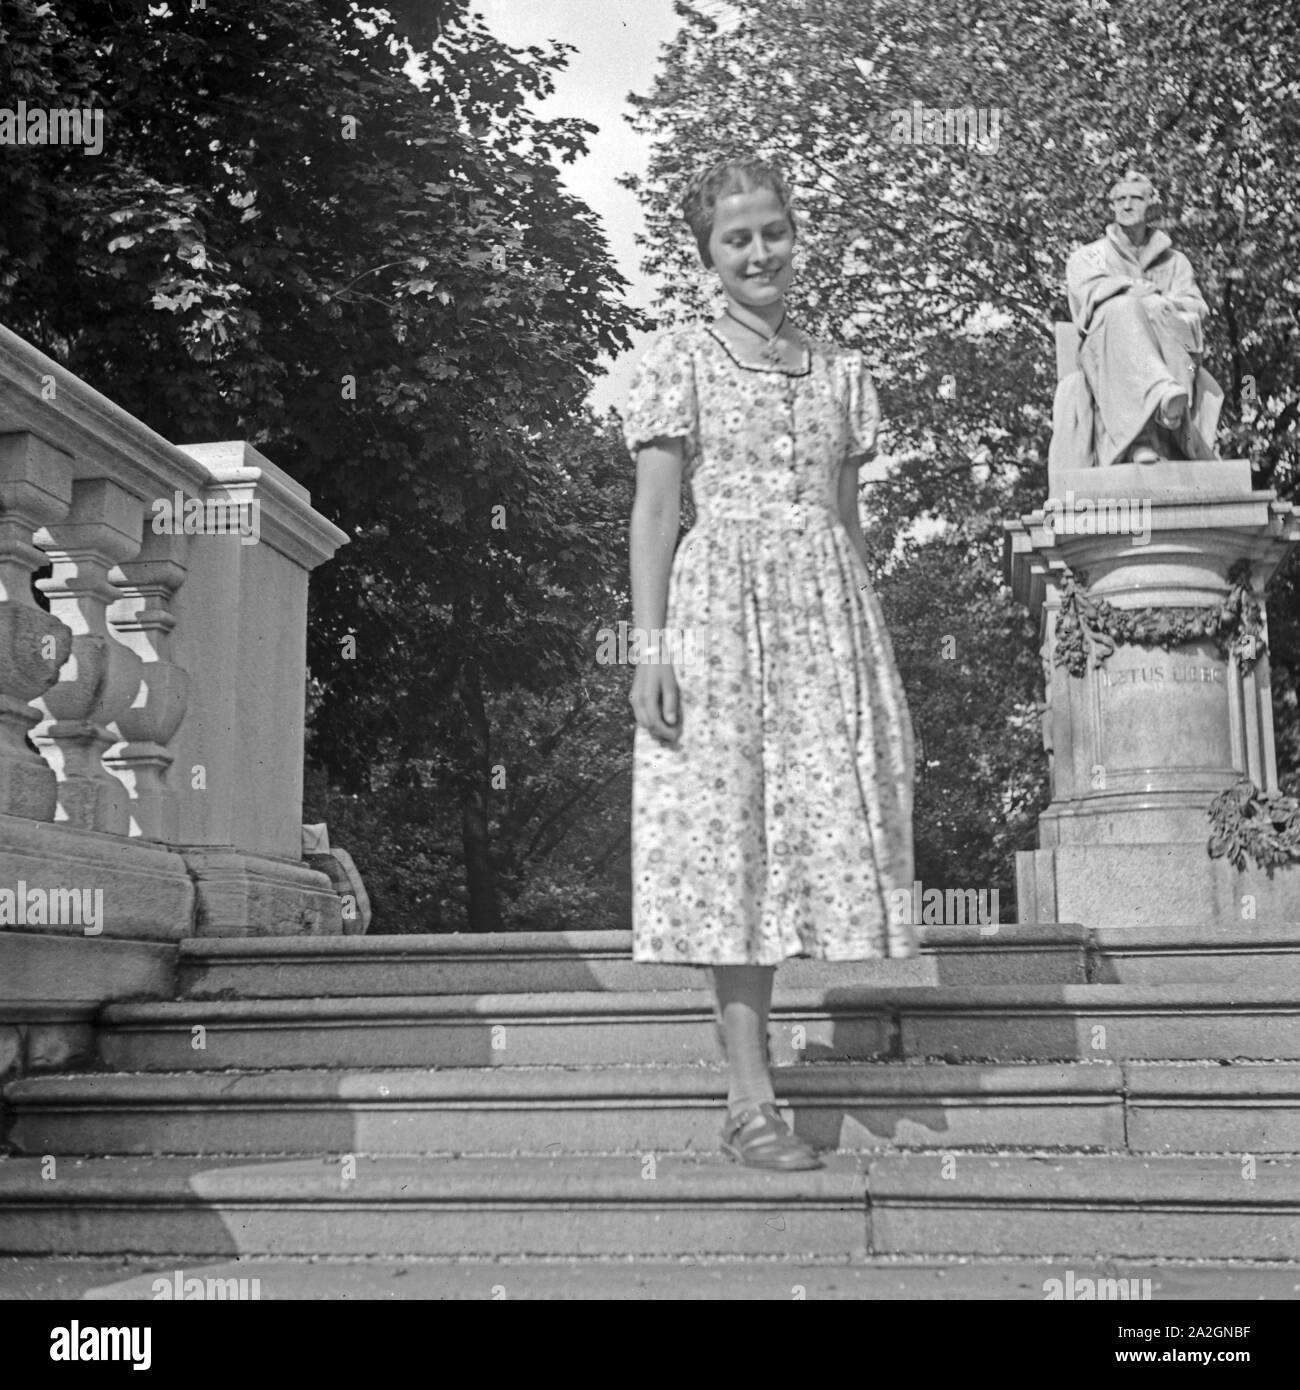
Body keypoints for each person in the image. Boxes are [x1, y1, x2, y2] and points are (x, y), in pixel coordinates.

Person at [622, 155, 916, 1171]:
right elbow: (655, 513)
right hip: (718, 615)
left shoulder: (841, 372)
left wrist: (865, 653)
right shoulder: (678, 358)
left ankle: (762, 1084)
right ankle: (750, 1100)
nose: (758, 251)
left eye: (772, 232)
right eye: (736, 238)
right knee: (727, 845)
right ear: (707, 256)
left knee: (815, 837)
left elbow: (848, 523)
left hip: (824, 620)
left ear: (796, 237)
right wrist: (650, 650)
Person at [1051, 170, 1222, 470]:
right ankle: (1159, 403)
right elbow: (1086, 298)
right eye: (1120, 199)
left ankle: (1161, 416)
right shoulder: (1088, 257)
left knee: (1148, 309)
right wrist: (1130, 290)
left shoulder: (1175, 262)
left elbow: (1197, 308)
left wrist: (1159, 303)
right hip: (1104, 350)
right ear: (1112, 205)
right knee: (1122, 310)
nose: (1127, 205)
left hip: (1168, 346)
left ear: (1150, 205)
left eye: (1136, 198)